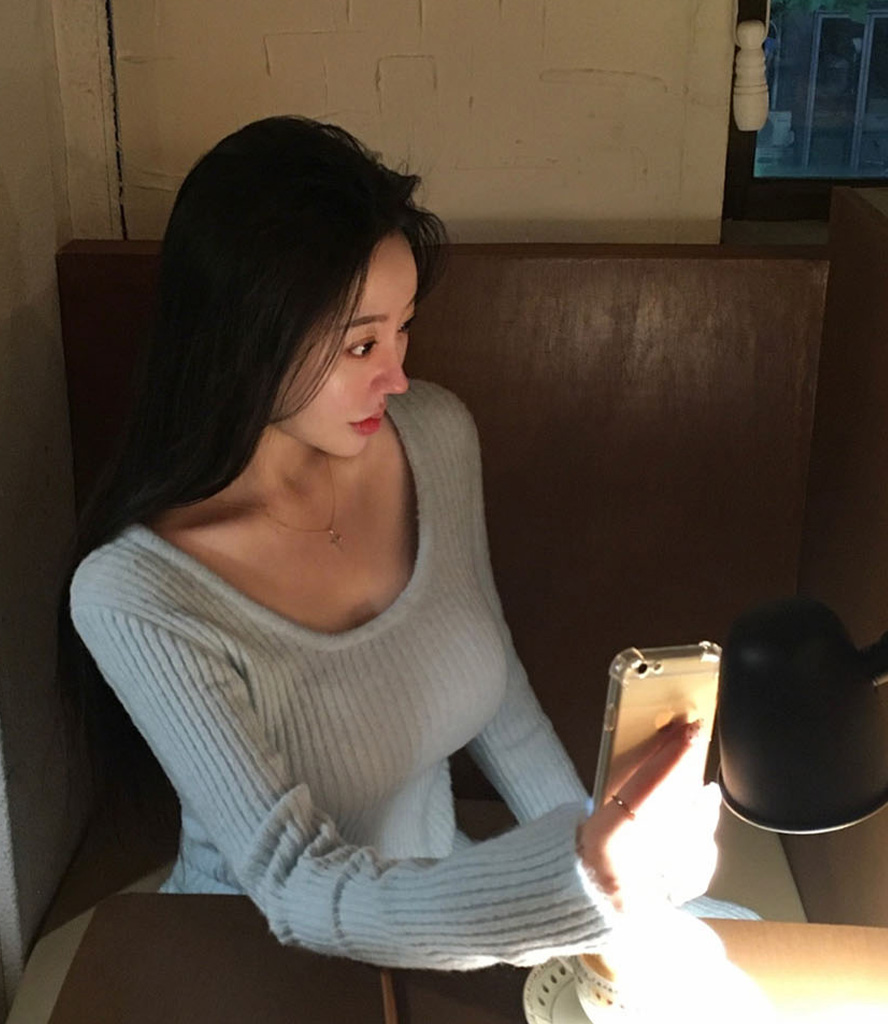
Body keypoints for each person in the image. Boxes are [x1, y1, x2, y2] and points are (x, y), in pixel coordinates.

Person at [66, 116, 749, 972]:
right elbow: (298, 883)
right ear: (247, 339)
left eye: (403, 328)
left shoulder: (432, 435)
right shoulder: (135, 592)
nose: (396, 374)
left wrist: (605, 859)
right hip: (253, 952)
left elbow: (498, 698)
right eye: (361, 343)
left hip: (448, 907)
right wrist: (580, 884)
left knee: (740, 947)